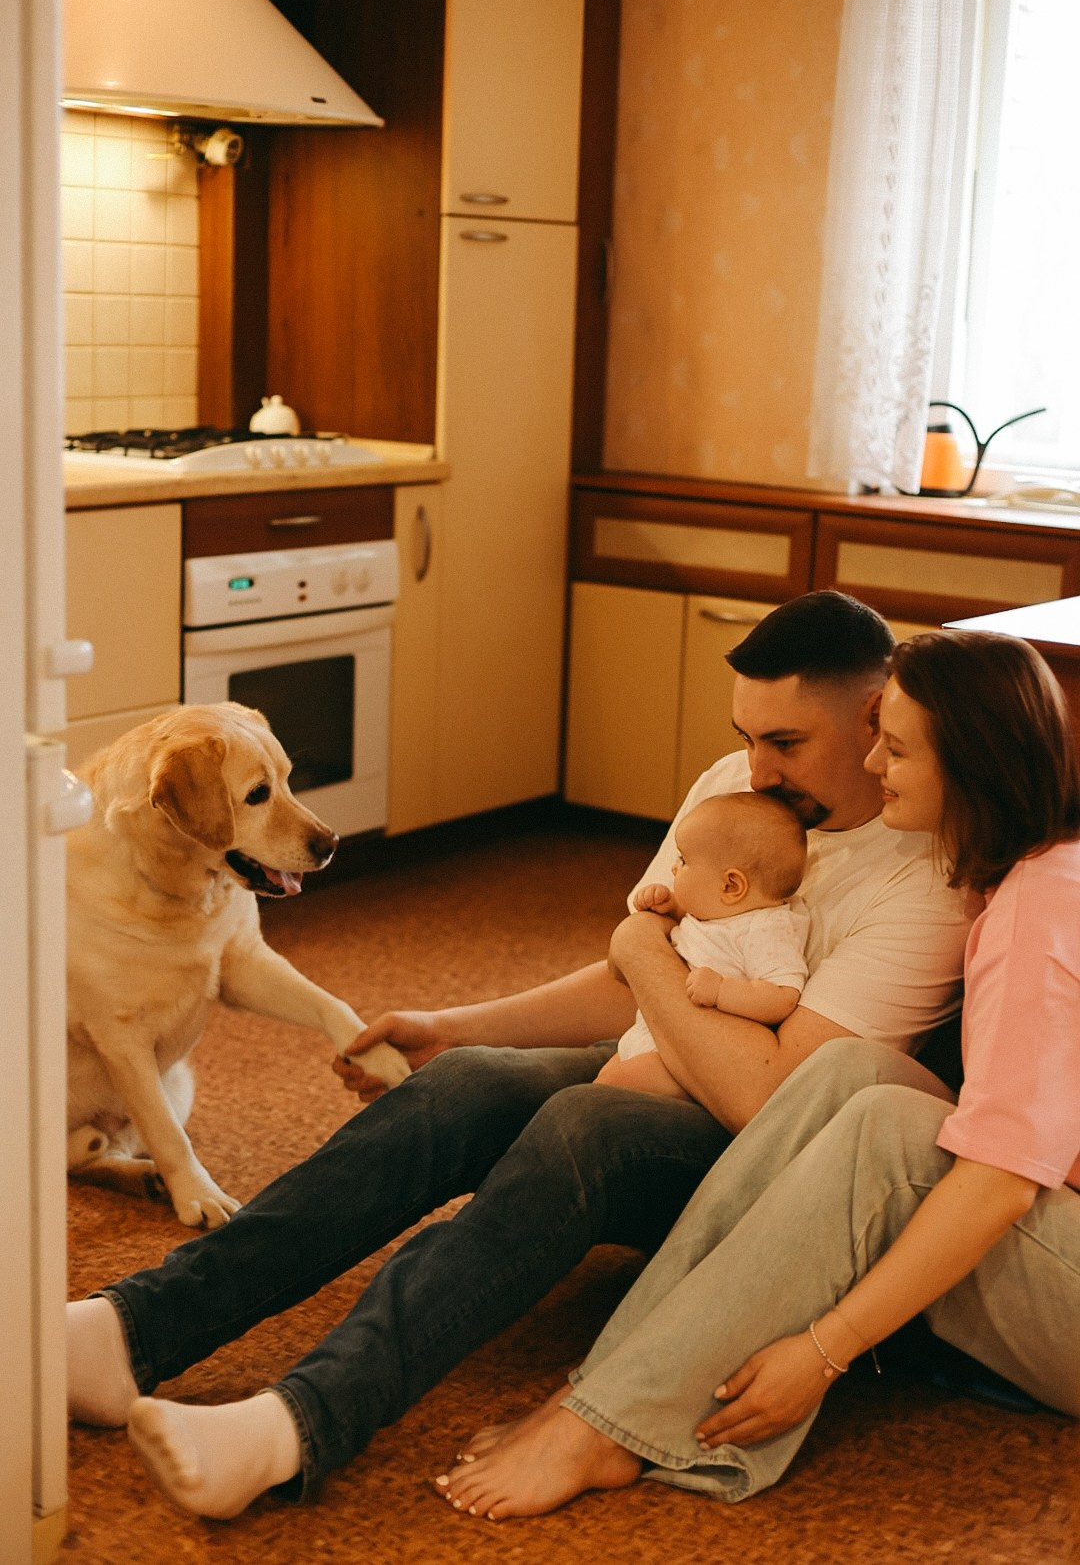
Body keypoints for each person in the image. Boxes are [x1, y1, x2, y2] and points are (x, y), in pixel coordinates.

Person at [65, 591, 970, 1519]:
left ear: (874, 717)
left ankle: (295, 1424)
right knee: (463, 1084)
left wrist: (639, 949)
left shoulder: (925, 873)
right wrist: (458, 1025)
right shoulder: (732, 791)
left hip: (773, 1169)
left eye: (787, 742)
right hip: (663, 1063)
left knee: (585, 1125)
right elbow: (635, 979)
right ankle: (130, 1330)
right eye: (747, 736)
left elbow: (771, 1103)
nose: (757, 767)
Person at [437, 630, 1080, 1522]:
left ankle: (608, 1418)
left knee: (888, 1131)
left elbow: (1000, 1183)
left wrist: (824, 1349)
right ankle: (608, 1391)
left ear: (970, 765)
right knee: (852, 1071)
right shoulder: (1030, 873)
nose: (872, 763)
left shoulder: (1040, 907)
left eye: (895, 750)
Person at [596, 791, 808, 1101]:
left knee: (608, 1087)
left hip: (700, 1055)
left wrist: (722, 990)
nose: (674, 868)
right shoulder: (720, 911)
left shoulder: (766, 929)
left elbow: (782, 995)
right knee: (605, 1078)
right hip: (661, 1032)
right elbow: (697, 933)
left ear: (731, 886)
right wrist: (669, 907)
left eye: (683, 860)